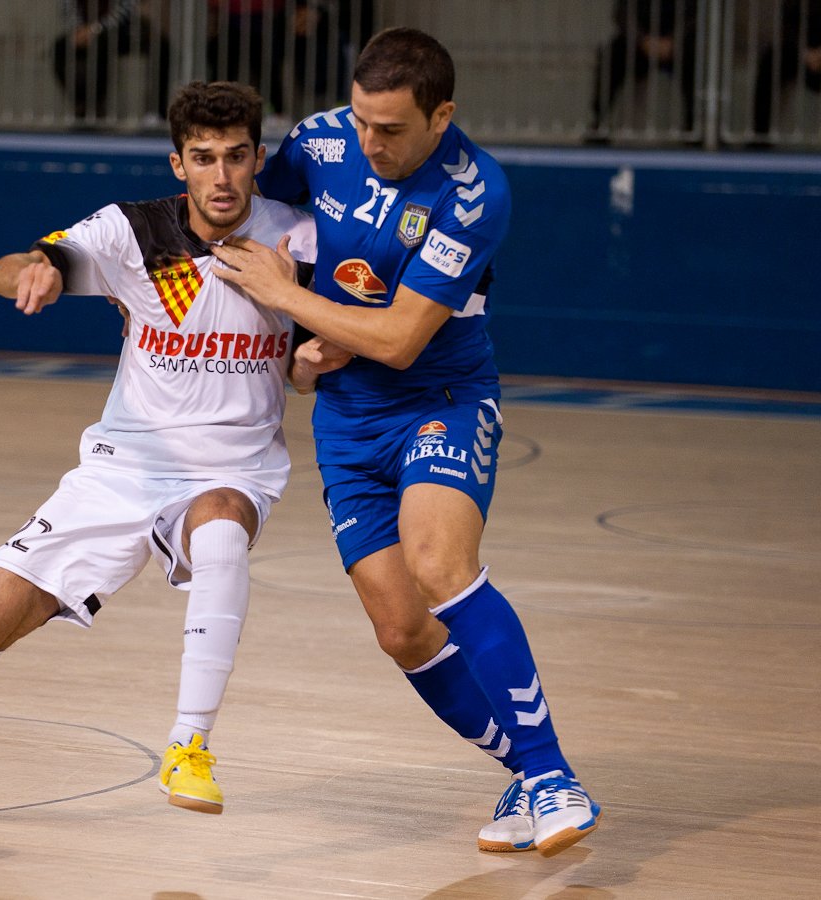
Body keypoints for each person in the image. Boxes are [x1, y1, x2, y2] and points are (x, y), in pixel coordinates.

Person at [0, 81, 316, 829]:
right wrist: (37, 270)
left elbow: (306, 364)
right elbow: (6, 266)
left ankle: (190, 743)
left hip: (232, 469)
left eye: (237, 157)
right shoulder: (132, 233)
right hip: (120, 471)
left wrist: (312, 361)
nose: (223, 176)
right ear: (179, 164)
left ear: (259, 158)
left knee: (222, 525)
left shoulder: (295, 241)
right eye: (204, 158)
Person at [211, 27, 601, 857]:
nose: (369, 141)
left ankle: (553, 772)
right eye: (360, 121)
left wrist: (291, 296)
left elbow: (397, 340)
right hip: (347, 421)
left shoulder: (474, 192)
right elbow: (244, 208)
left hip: (441, 399)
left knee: (439, 566)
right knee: (400, 628)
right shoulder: (319, 142)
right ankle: (525, 774)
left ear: (441, 115)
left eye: (389, 129)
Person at [589, 0, 699, 138]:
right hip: (639, 43)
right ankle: (599, 123)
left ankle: (694, 127)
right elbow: (622, 13)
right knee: (611, 56)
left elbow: (695, 16)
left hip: (677, 45)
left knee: (698, 62)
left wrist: (674, 42)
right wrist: (642, 40)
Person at [53, 0, 171, 119]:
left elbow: (125, 9)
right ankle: (84, 105)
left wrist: (95, 29)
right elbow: (66, 6)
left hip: (120, 29)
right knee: (59, 48)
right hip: (81, 31)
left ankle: (156, 112)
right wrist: (79, 28)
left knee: (161, 46)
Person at [753, 0, 821, 137]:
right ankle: (760, 136)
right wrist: (804, 53)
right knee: (771, 60)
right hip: (801, 54)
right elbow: (787, 27)